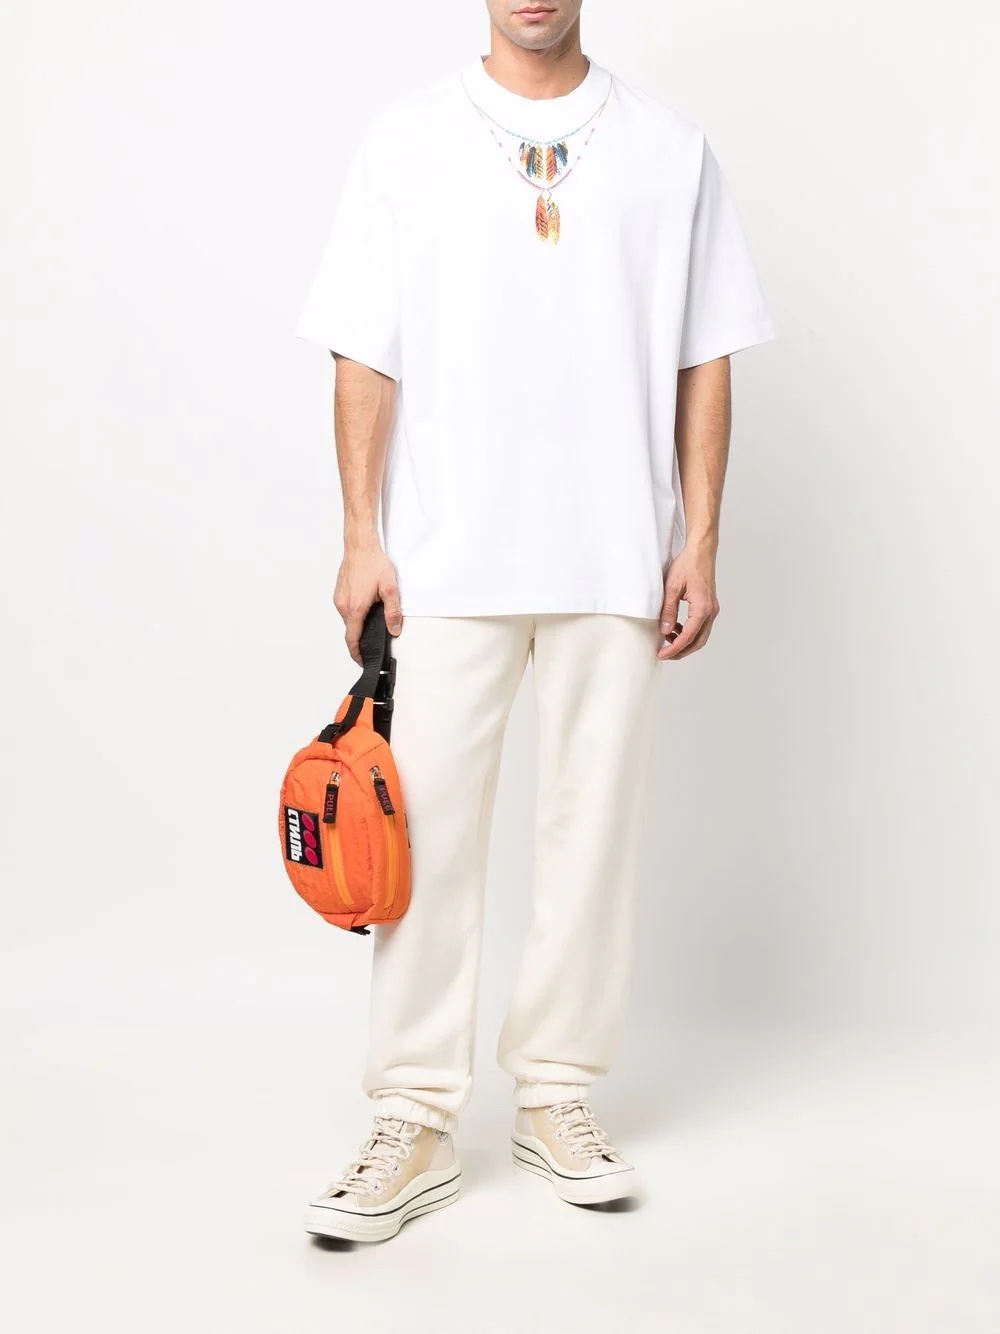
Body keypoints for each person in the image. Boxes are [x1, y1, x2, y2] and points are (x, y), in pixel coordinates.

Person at [294, 0, 773, 1243]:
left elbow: (707, 353)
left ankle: (556, 1091)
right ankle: (412, 1113)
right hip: (445, 557)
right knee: (422, 836)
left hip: (615, 548)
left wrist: (699, 538)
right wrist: (360, 533)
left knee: (592, 830)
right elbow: (362, 349)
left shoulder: (671, 150)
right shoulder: (405, 139)